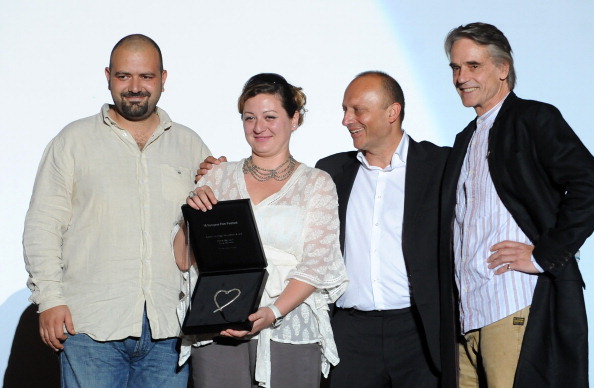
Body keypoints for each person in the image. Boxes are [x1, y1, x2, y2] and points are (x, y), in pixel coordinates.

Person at [22, 34, 211, 388]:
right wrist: (49, 299)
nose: (135, 87)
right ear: (107, 76)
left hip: (169, 330)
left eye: (146, 77)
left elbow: (207, 232)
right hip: (89, 326)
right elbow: (43, 226)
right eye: (124, 76)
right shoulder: (72, 141)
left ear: (163, 79)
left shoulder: (190, 144)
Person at [439, 22, 594, 388]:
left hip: (512, 306)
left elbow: (588, 183)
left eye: (473, 65)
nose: (461, 77)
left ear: (503, 68)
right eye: (455, 68)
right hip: (466, 318)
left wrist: (544, 255)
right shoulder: (465, 139)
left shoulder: (534, 118)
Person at [174, 73, 348, 388]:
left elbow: (318, 263)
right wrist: (191, 217)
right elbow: (183, 261)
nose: (258, 127)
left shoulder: (316, 183)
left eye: (270, 117)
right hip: (219, 321)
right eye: (249, 117)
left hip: (289, 324)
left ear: (294, 119)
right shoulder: (218, 177)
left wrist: (272, 312)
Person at [315, 71, 450, 388]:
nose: (347, 120)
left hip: (418, 334)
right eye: (345, 110)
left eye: (357, 109)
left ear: (393, 112)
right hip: (350, 335)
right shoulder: (330, 171)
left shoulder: (441, 165)